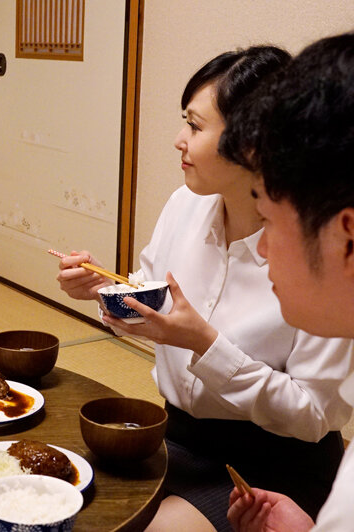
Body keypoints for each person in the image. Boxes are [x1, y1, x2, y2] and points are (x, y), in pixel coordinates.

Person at [56, 46, 354, 532]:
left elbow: (314, 415)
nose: (179, 140)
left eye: (195, 127)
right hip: (176, 436)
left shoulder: (317, 255)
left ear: (252, 143)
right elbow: (155, 303)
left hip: (273, 467)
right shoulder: (185, 205)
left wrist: (206, 345)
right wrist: (104, 291)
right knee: (67, 500)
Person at [224, 31, 354, 532]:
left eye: (268, 220)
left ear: (346, 237)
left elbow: (311, 411)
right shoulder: (184, 207)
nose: (260, 248)